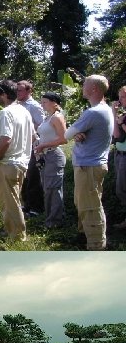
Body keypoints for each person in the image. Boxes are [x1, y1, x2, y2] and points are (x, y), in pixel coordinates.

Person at [65, 75, 114, 250]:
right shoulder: (104, 109)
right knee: (85, 203)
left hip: (89, 166)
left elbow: (66, 134)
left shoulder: (93, 112)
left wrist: (73, 133)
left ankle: (97, 246)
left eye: (85, 84)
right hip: (92, 165)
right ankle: (85, 235)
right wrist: (77, 133)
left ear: (94, 89)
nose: (82, 86)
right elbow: (75, 133)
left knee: (91, 206)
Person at [0, 80, 35, 241]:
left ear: (3, 94)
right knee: (14, 200)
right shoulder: (24, 111)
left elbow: (5, 139)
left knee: (10, 203)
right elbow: (33, 136)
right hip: (22, 162)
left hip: (8, 163)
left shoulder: (6, 112)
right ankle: (11, 229)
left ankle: (17, 236)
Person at [34, 92, 67, 228]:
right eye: (41, 102)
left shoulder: (57, 117)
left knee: (53, 189)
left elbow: (63, 139)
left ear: (55, 103)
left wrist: (43, 145)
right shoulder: (48, 117)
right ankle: (51, 218)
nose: (42, 105)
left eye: (45, 102)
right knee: (48, 188)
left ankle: (55, 222)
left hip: (54, 156)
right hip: (46, 156)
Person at [16, 80, 46, 217]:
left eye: (20, 90)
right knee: (24, 177)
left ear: (29, 91)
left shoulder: (34, 106)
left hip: (33, 146)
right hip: (22, 146)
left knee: (34, 177)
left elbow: (42, 126)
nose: (17, 93)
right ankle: (27, 204)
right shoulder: (18, 105)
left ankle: (36, 207)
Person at [111, 86, 126, 229]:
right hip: (119, 154)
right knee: (121, 189)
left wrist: (122, 123)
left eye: (122, 97)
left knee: (122, 189)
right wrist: (114, 115)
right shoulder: (123, 114)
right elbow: (116, 136)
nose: (119, 100)